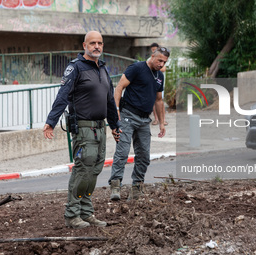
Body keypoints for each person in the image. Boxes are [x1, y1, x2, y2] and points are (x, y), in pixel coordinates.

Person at [43, 31, 120, 229]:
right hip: (84, 129)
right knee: (82, 171)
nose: (97, 46)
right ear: (84, 45)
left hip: (100, 128)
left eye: (100, 43)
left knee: (93, 172)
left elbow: (110, 101)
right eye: (93, 43)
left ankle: (86, 213)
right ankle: (72, 215)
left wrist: (115, 126)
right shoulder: (75, 68)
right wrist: (51, 121)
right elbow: (63, 95)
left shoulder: (102, 69)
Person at [109, 47, 170, 201]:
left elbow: (158, 100)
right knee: (122, 152)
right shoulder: (137, 68)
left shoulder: (160, 76)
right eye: (159, 60)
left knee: (144, 155)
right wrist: (116, 110)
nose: (161, 64)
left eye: (164, 62)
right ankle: (115, 185)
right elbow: (119, 87)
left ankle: (137, 187)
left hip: (144, 120)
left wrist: (162, 123)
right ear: (152, 56)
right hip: (128, 115)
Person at [149, 43, 168, 126]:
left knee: (160, 101)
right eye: (152, 50)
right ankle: (156, 119)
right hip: (150, 84)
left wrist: (158, 64)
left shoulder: (161, 58)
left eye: (155, 49)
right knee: (153, 102)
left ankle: (162, 120)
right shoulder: (150, 59)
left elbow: (163, 69)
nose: (153, 51)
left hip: (159, 83)